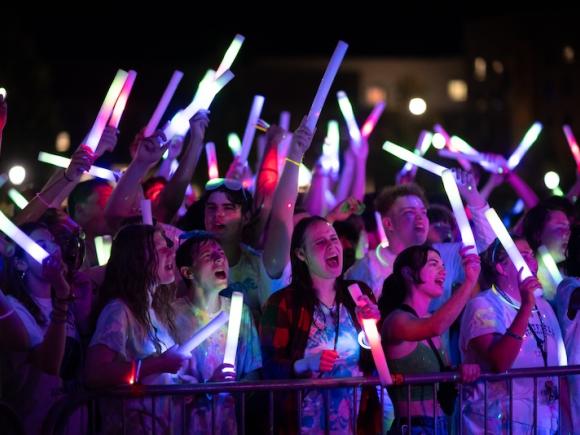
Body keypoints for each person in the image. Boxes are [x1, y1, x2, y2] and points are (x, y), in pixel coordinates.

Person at [261, 216, 383, 434]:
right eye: (320, 242)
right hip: (304, 420)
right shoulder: (283, 303)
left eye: (334, 238)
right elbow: (270, 368)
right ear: (301, 254)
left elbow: (376, 359)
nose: (332, 246)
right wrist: (306, 364)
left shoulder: (358, 293)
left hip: (357, 417)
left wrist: (372, 329)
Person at [85, 224, 186, 433]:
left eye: (168, 245)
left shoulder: (157, 310)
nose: (171, 251)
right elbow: (94, 372)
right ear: (138, 260)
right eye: (160, 248)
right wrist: (156, 365)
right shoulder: (118, 311)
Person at [460, 237, 566, 433]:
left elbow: (559, 367)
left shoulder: (545, 307)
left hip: (544, 421)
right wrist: (526, 306)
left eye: (532, 255)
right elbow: (498, 363)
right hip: (498, 423)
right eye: (523, 256)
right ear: (501, 267)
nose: (532, 262)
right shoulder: (483, 305)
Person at [379, 245, 481, 434]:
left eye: (443, 265)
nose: (443, 270)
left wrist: (459, 372)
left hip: (441, 425)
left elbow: (443, 374)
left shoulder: (428, 319)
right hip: (414, 427)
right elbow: (436, 327)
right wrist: (469, 282)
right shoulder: (396, 321)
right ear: (409, 273)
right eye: (433, 264)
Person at [173, 231, 262, 434]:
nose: (219, 258)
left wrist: (237, 386)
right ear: (188, 272)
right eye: (208, 256)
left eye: (220, 253)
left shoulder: (240, 312)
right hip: (183, 424)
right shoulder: (171, 315)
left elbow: (252, 370)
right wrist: (208, 386)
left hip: (226, 424)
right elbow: (162, 379)